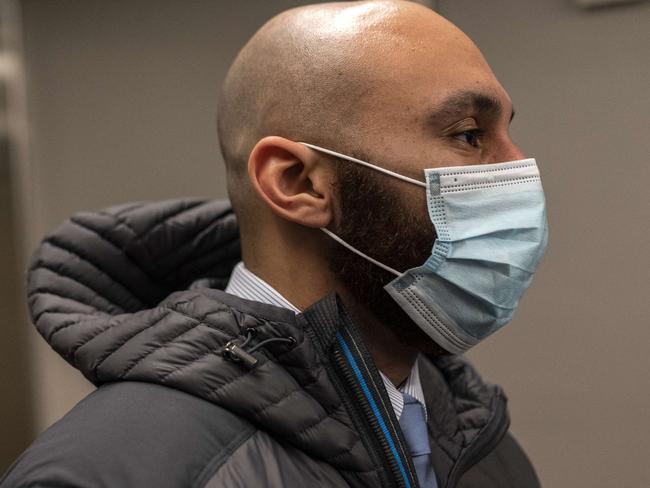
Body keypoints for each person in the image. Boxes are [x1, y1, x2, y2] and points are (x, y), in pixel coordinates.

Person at [1, 1, 547, 487]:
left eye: (508, 132)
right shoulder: (112, 468)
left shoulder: (481, 440)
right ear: (296, 183)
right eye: (469, 134)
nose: (519, 167)